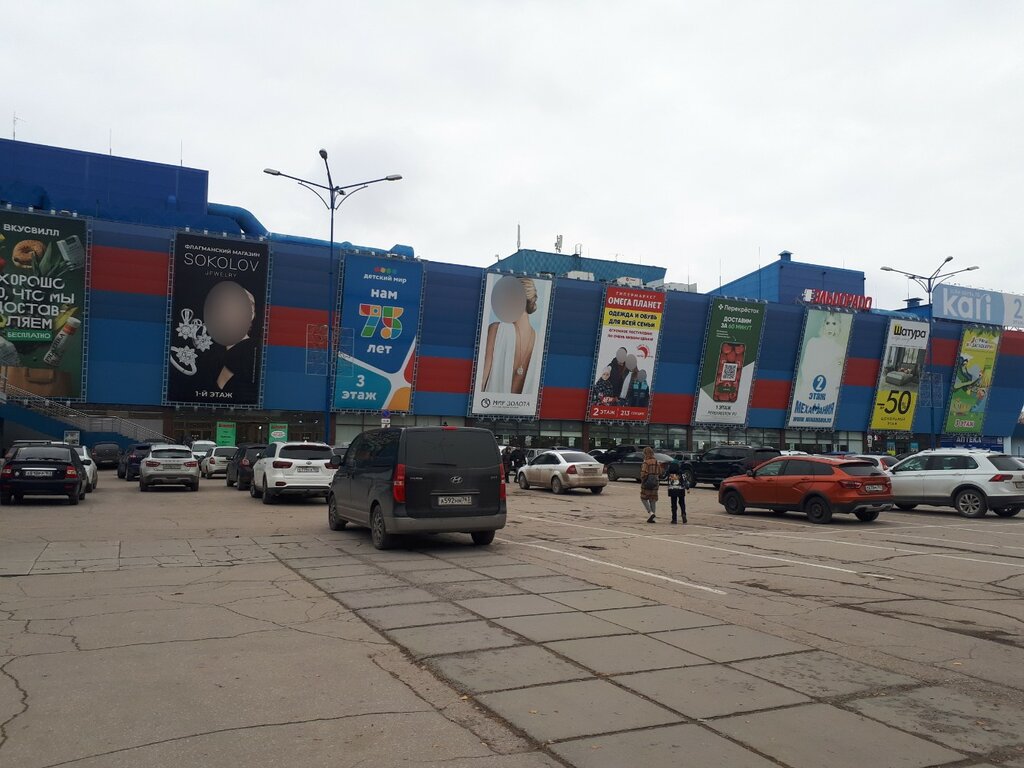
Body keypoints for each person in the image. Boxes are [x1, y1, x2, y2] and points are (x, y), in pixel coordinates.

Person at [481, 276, 540, 395]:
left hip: (489, 405)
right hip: (525, 406)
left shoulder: (497, 330)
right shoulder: (539, 340)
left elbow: (480, 382)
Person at [639, 446, 662, 523]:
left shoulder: (646, 462)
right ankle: (653, 517)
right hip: (655, 482)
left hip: (647, 482)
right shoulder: (656, 462)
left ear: (645, 453)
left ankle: (650, 513)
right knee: (653, 499)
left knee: (643, 498)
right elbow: (660, 472)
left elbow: (643, 473)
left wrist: (643, 479)